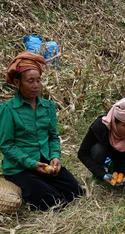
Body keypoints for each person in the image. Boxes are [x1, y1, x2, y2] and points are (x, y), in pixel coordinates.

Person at [0, 51, 84, 211]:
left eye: (38, 80)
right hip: (20, 168)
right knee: (53, 202)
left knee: (76, 192)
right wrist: (31, 163)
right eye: (30, 81)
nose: (36, 85)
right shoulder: (8, 110)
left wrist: (54, 157)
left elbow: (53, 137)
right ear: (18, 82)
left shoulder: (48, 107)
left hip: (45, 164)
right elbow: (6, 145)